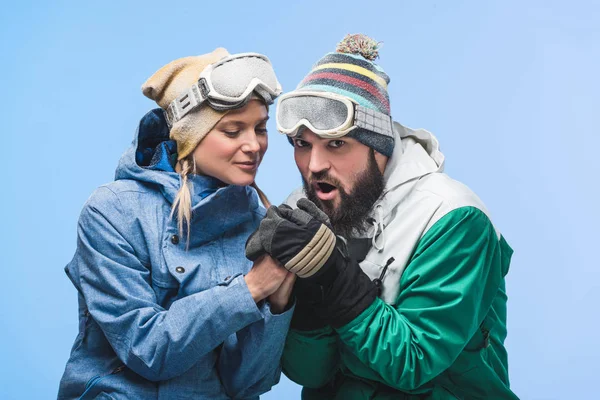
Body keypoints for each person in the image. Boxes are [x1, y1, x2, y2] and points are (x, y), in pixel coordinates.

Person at [246, 34, 518, 399]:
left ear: (378, 146)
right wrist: (302, 294)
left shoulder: (453, 216)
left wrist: (332, 272)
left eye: (336, 144)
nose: (314, 166)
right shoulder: (306, 211)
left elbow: (415, 363)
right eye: (302, 144)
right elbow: (309, 372)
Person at [58, 48, 295, 399]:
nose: (254, 145)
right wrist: (249, 289)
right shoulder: (112, 212)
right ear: (189, 136)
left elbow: (248, 384)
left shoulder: (260, 226)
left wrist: (280, 296)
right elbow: (146, 348)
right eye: (233, 130)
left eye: (260, 128)